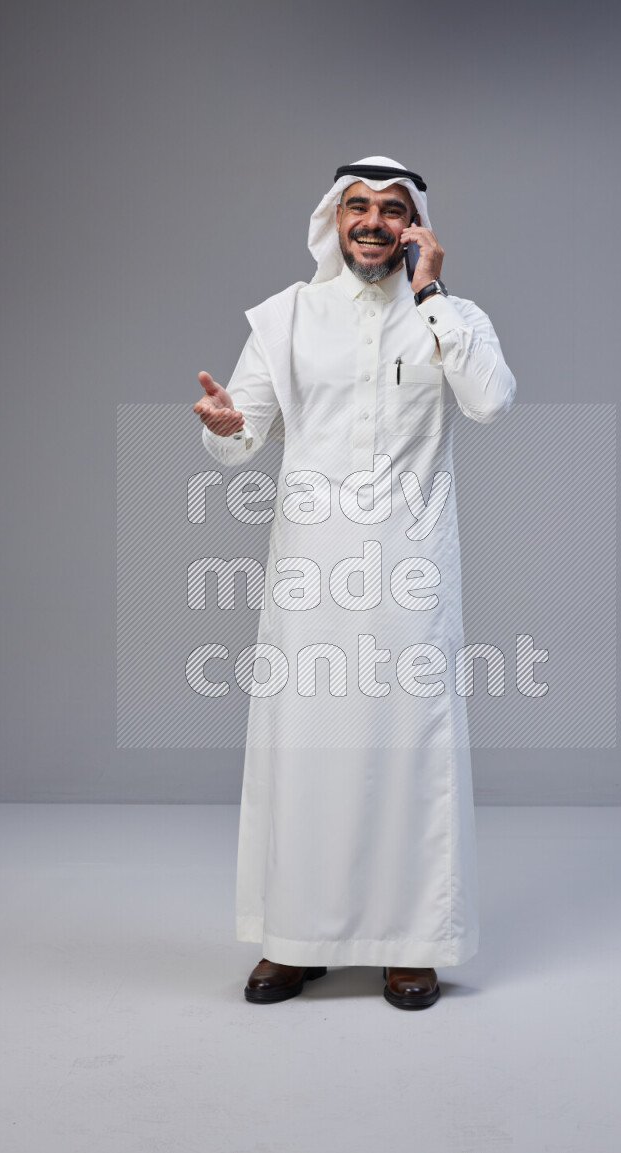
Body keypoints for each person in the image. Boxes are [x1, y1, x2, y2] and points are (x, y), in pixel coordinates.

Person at [193, 156, 516, 1010]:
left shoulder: (449, 318)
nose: (372, 222)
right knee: (305, 753)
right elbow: (241, 433)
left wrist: (434, 295)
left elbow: (490, 402)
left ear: (416, 226)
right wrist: (226, 427)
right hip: (310, 570)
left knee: (409, 751)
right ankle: (295, 940)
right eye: (357, 207)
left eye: (393, 210)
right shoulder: (287, 316)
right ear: (333, 221)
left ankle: (411, 944)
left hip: (411, 574)